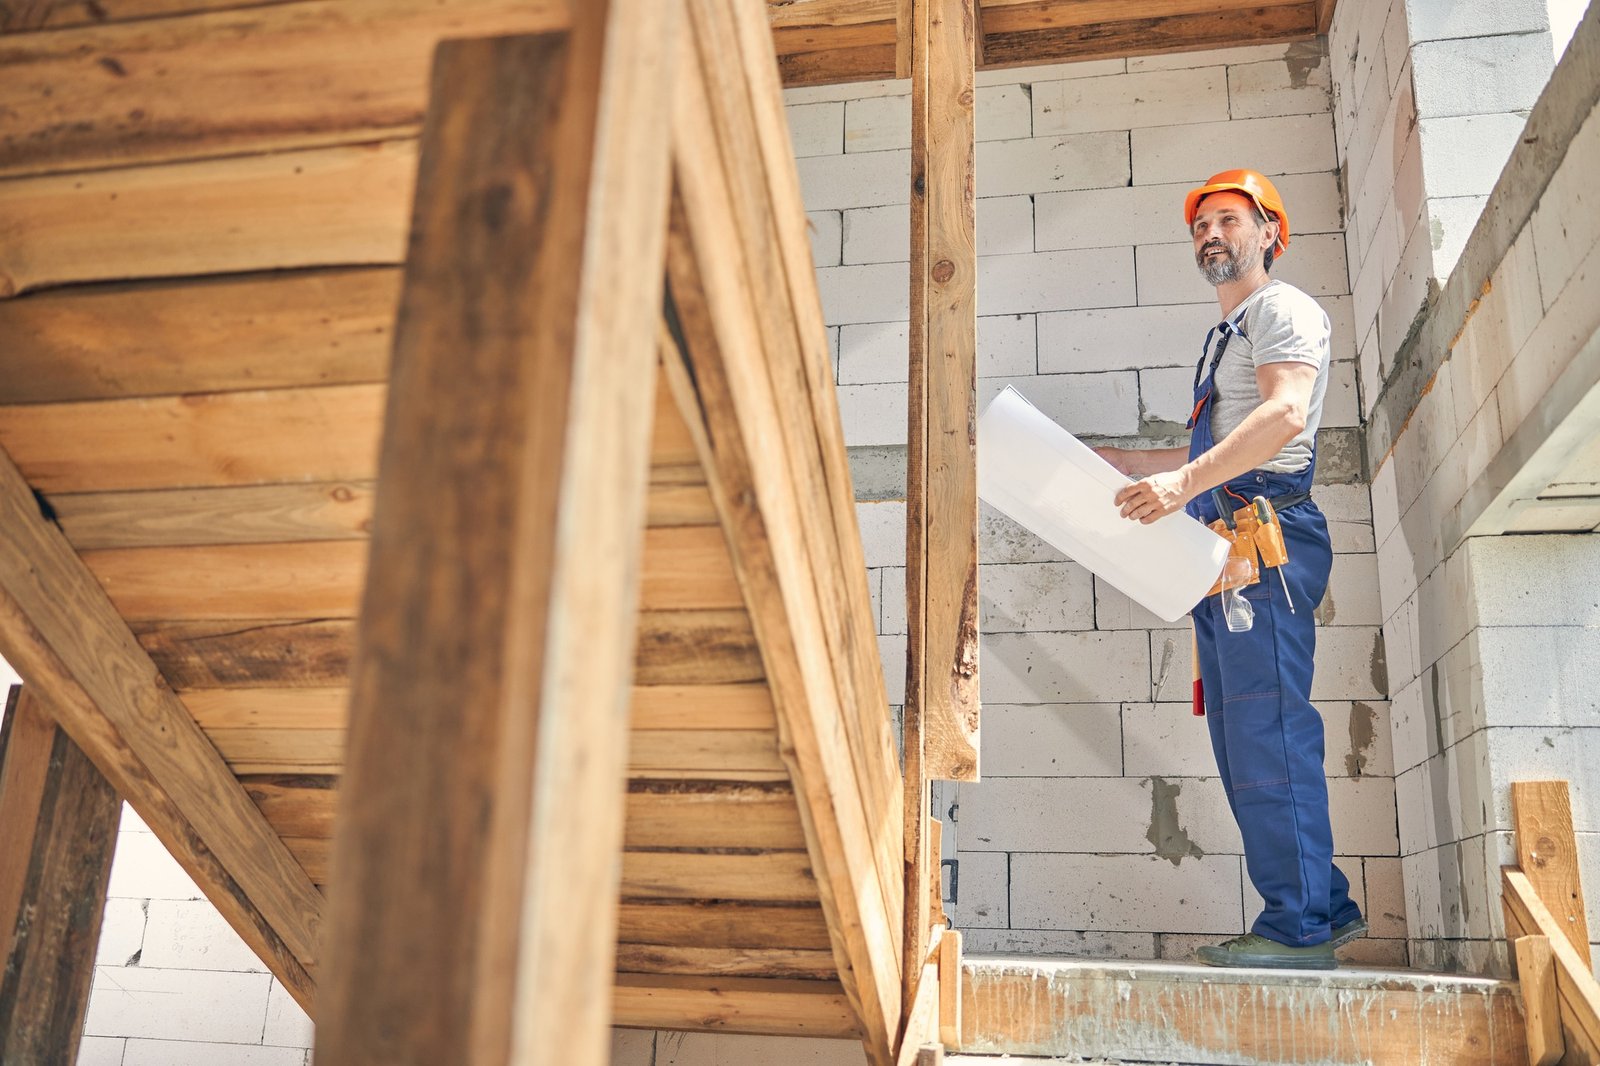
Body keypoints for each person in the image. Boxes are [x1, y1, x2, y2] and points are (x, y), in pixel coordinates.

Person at [1095, 169, 1365, 970]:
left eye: (1229, 219)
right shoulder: (1229, 332)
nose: (1211, 233)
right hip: (1229, 543)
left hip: (1263, 532)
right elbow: (1199, 453)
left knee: (1267, 734)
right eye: (1200, 225)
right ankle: (1325, 905)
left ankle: (1300, 931)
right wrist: (1098, 464)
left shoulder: (1280, 309)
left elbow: (1282, 416)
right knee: (1246, 739)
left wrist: (1180, 486)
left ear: (1268, 234)